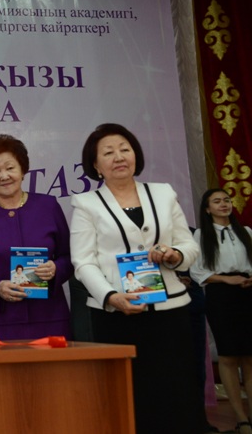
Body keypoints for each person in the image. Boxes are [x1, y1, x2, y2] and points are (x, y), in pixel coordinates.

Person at [69, 123, 203, 434]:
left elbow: (189, 245)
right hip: (117, 314)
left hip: (171, 311)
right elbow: (83, 262)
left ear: (135, 155)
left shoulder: (163, 193)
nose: (119, 157)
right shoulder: (86, 204)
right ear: (95, 165)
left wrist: (174, 255)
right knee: (130, 396)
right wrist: (110, 297)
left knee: (177, 392)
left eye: (124, 149)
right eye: (108, 153)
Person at [0, 134, 72, 340]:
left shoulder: (48, 206)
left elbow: (70, 257)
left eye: (10, 168)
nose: (4, 176)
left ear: (23, 170)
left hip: (50, 318)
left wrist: (56, 269)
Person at [192, 189, 252, 434]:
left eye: (226, 200)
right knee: (228, 355)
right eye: (216, 201)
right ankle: (241, 418)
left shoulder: (246, 231)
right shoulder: (201, 235)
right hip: (221, 294)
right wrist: (227, 280)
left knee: (249, 355)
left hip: (247, 291)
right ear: (207, 209)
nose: (224, 204)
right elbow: (197, 271)